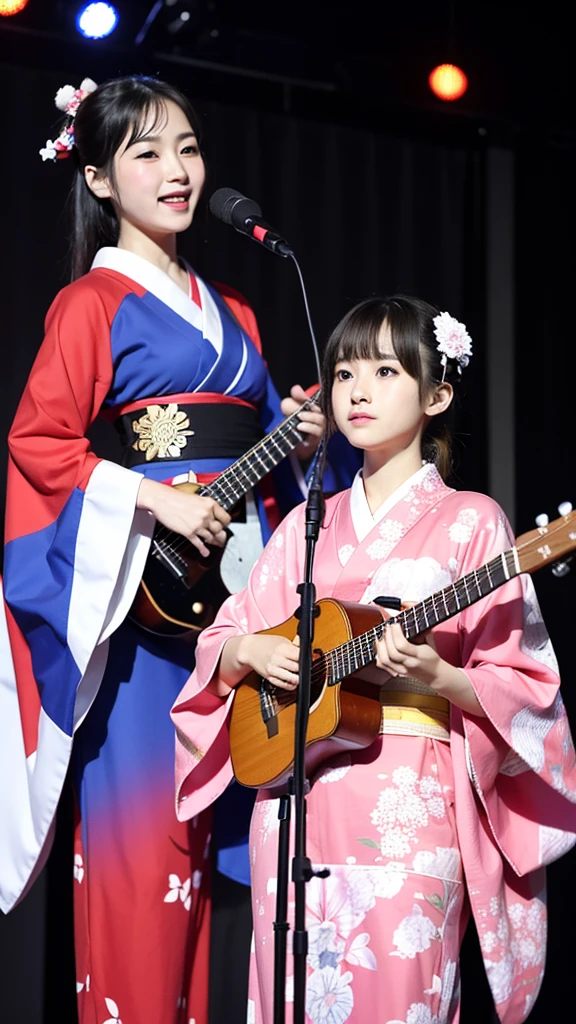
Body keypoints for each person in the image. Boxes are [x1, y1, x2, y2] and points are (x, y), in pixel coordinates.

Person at [0, 74, 358, 1024]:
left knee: (214, 882)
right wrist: (155, 499)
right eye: (147, 152)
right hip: (148, 618)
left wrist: (298, 445)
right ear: (101, 179)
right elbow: (40, 445)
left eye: (189, 148)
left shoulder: (235, 307)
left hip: (230, 610)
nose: (177, 170)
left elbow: (259, 469)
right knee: (141, 864)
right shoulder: (91, 304)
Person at [171, 295, 576, 1024]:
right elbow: (217, 642)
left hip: (406, 807)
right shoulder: (304, 523)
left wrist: (440, 677)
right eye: (344, 371)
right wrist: (247, 647)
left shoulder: (473, 523)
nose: (357, 389)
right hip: (293, 807)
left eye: (386, 370)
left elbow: (528, 686)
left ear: (438, 393)